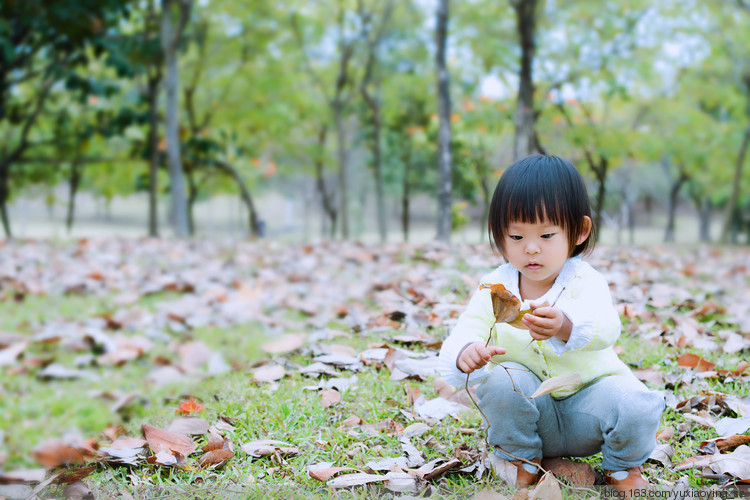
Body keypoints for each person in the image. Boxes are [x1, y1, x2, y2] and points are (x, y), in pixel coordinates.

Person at [438, 154, 664, 493]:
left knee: (637, 403)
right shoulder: (494, 288)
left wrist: (566, 326)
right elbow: (468, 328)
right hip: (528, 410)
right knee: (500, 380)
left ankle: (622, 468)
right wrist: (466, 352)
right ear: (499, 236)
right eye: (516, 237)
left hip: (590, 405)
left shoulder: (585, 281)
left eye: (546, 235)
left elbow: (607, 326)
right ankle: (521, 459)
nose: (530, 249)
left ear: (579, 231)